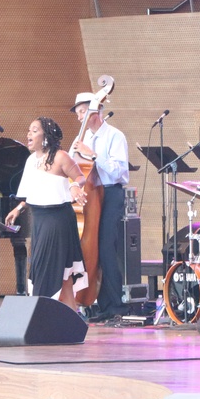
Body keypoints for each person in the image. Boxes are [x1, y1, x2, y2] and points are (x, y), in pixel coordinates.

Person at [5, 117, 88, 310]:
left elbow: (80, 176)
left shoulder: (60, 156)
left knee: (49, 268)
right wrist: (18, 209)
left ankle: (41, 314)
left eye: (34, 130)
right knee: (63, 277)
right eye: (29, 130)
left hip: (58, 219)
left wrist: (75, 186)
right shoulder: (31, 160)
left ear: (46, 135)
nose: (29, 134)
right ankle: (72, 320)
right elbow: (32, 192)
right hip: (39, 220)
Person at [68, 92, 130, 320]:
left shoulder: (115, 136)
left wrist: (92, 155)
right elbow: (72, 168)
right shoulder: (82, 138)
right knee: (91, 249)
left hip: (111, 194)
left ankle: (116, 306)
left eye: (82, 112)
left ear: (95, 111)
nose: (79, 118)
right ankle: (100, 305)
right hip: (92, 196)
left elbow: (118, 171)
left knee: (106, 250)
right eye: (77, 114)